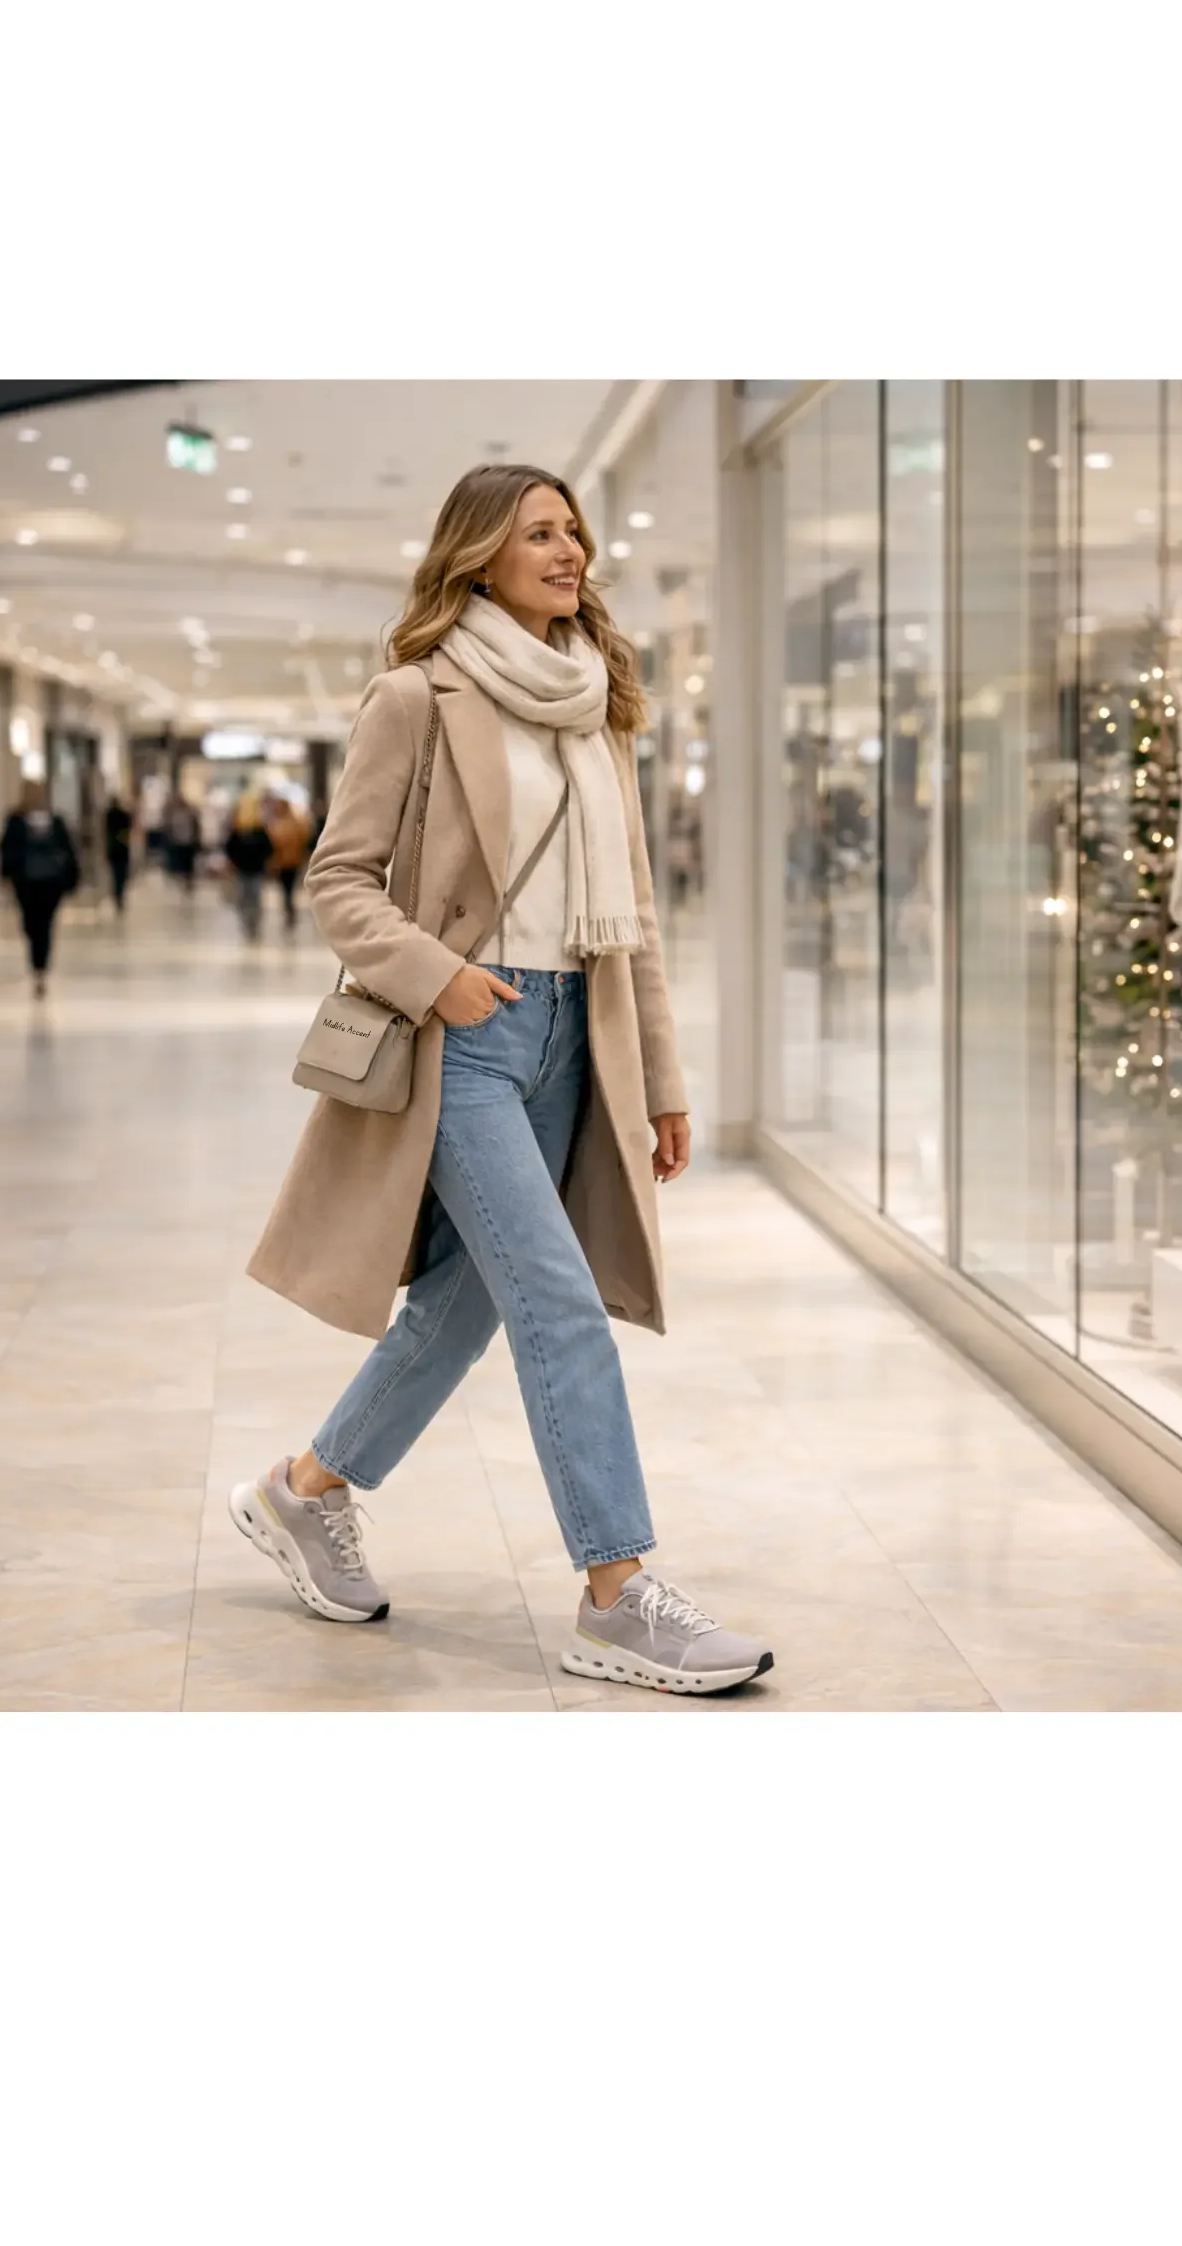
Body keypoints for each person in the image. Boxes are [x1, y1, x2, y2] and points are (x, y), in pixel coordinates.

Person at [240, 463, 771, 1694]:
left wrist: (662, 1079)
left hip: (578, 1036)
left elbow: (632, 916)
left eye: (573, 531)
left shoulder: (596, 705)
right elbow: (338, 880)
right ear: (479, 554)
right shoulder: (414, 699)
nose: (569, 550)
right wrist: (439, 977)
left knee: (464, 1309)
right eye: (539, 533)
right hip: (465, 1040)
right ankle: (616, 1595)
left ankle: (302, 1492)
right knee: (558, 1303)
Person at [0, 780, 80, 998]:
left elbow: (68, 851)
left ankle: (40, 967)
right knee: (31, 923)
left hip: (51, 882)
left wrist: (71, 878)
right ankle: (38, 963)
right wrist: (6, 875)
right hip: (25, 881)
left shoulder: (56, 821)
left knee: (44, 923)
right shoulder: (16, 821)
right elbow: (6, 849)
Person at [223, 792, 272, 941]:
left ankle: (254, 923)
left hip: (256, 870)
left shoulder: (260, 829)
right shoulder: (237, 829)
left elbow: (268, 848)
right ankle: (246, 921)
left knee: (254, 898)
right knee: (243, 898)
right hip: (242, 870)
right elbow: (229, 848)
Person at [264, 793, 310, 933]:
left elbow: (302, 841)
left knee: (288, 889)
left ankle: (289, 909)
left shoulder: (291, 824)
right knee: (286, 889)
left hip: (292, 862)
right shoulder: (279, 824)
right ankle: (289, 909)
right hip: (283, 863)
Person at [104, 793, 134, 916]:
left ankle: (117, 894)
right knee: (121, 874)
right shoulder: (123, 816)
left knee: (115, 874)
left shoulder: (108, 816)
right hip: (122, 849)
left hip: (113, 849)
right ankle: (119, 894)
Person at [164, 793, 200, 892]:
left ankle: (187, 881)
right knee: (181, 864)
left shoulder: (191, 813)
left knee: (188, 864)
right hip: (178, 842)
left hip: (188, 842)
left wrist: (196, 839)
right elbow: (169, 828)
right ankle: (181, 879)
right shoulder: (174, 814)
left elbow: (196, 827)